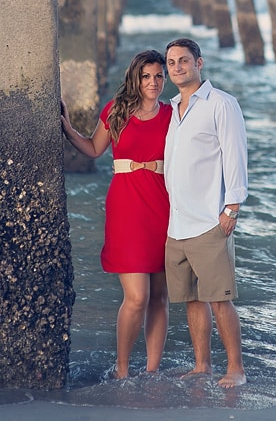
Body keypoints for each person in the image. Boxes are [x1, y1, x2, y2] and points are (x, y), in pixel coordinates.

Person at [61, 49, 172, 379]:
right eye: (146, 76)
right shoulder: (117, 110)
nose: (153, 82)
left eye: (158, 76)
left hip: (165, 204)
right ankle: (122, 369)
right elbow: (94, 149)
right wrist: (66, 127)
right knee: (137, 297)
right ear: (135, 78)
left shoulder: (175, 113)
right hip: (127, 205)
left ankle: (152, 371)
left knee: (160, 297)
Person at [163, 37, 248, 388]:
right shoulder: (171, 109)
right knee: (192, 300)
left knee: (219, 300)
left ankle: (236, 369)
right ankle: (202, 365)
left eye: (184, 60)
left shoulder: (221, 104)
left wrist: (232, 207)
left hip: (210, 219)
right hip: (177, 222)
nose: (177, 67)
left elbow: (235, 155)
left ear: (200, 62)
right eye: (171, 62)